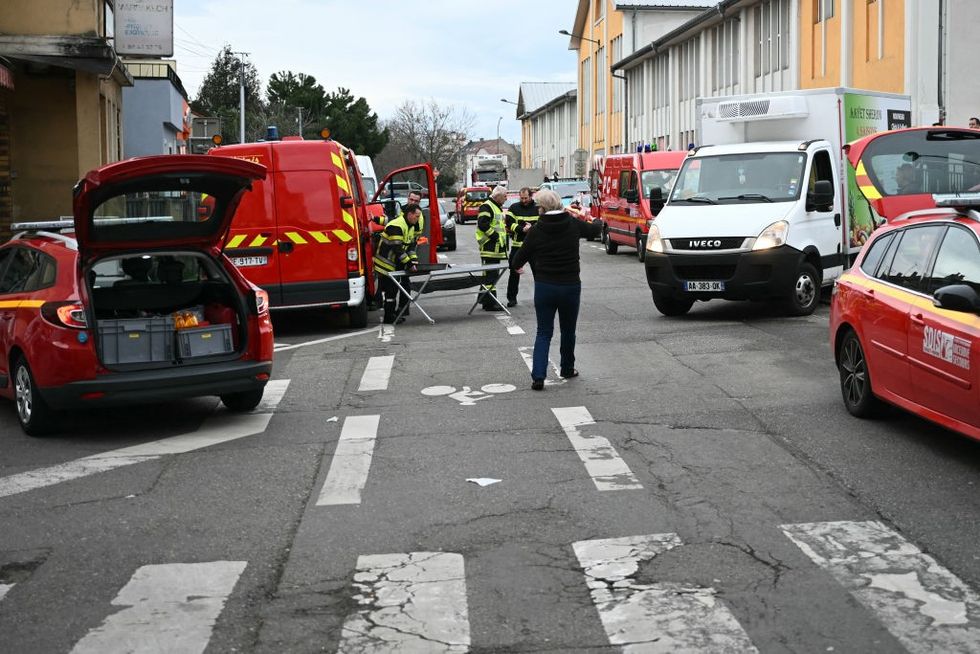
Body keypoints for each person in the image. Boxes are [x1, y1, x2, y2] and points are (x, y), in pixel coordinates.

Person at [511, 189, 600, 390]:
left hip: (545, 287)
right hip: (570, 286)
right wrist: (594, 219)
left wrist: (518, 266)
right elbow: (595, 229)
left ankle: (539, 376)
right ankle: (567, 368)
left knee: (543, 331)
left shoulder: (536, 229)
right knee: (568, 330)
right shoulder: (572, 223)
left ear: (542, 208)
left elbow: (517, 259)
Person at [374, 203, 423, 324]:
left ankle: (392, 315)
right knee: (391, 291)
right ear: (410, 214)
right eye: (416, 216)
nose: (418, 219)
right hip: (386, 263)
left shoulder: (410, 226)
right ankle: (388, 317)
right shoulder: (397, 225)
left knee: (393, 290)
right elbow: (397, 248)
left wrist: (414, 261)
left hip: (395, 263)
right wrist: (409, 264)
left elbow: (411, 246)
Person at [475, 185, 509, 311]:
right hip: (489, 247)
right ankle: (491, 302)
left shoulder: (495, 206)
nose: (506, 198)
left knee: (491, 275)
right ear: (498, 196)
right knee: (490, 275)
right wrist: (495, 236)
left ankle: (484, 300)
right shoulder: (487, 206)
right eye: (505, 196)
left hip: (494, 248)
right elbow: (483, 224)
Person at [504, 187, 538, 307]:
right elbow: (509, 222)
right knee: (514, 272)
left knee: (538, 273)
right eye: (522, 198)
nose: (524, 200)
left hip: (534, 247)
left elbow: (542, 223)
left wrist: (531, 228)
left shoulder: (538, 208)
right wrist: (521, 229)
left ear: (531, 196)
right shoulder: (514, 208)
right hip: (518, 246)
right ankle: (512, 298)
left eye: (526, 198)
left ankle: (540, 298)